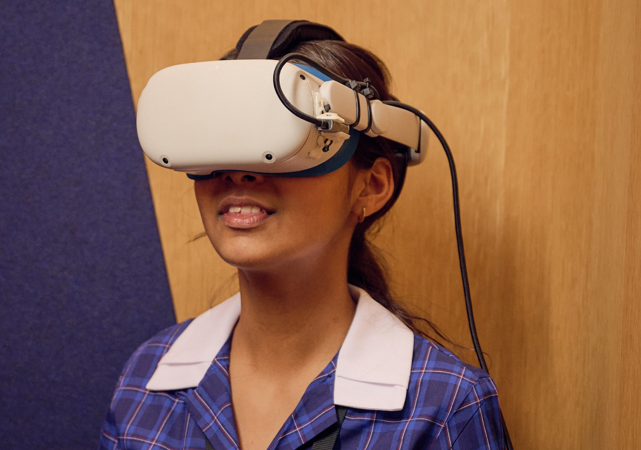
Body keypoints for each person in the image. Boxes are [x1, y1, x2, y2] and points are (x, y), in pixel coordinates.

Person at [101, 20, 506, 450]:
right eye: (221, 143)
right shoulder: (144, 382)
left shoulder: (444, 409)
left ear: (371, 187)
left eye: (281, 144)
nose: (240, 170)